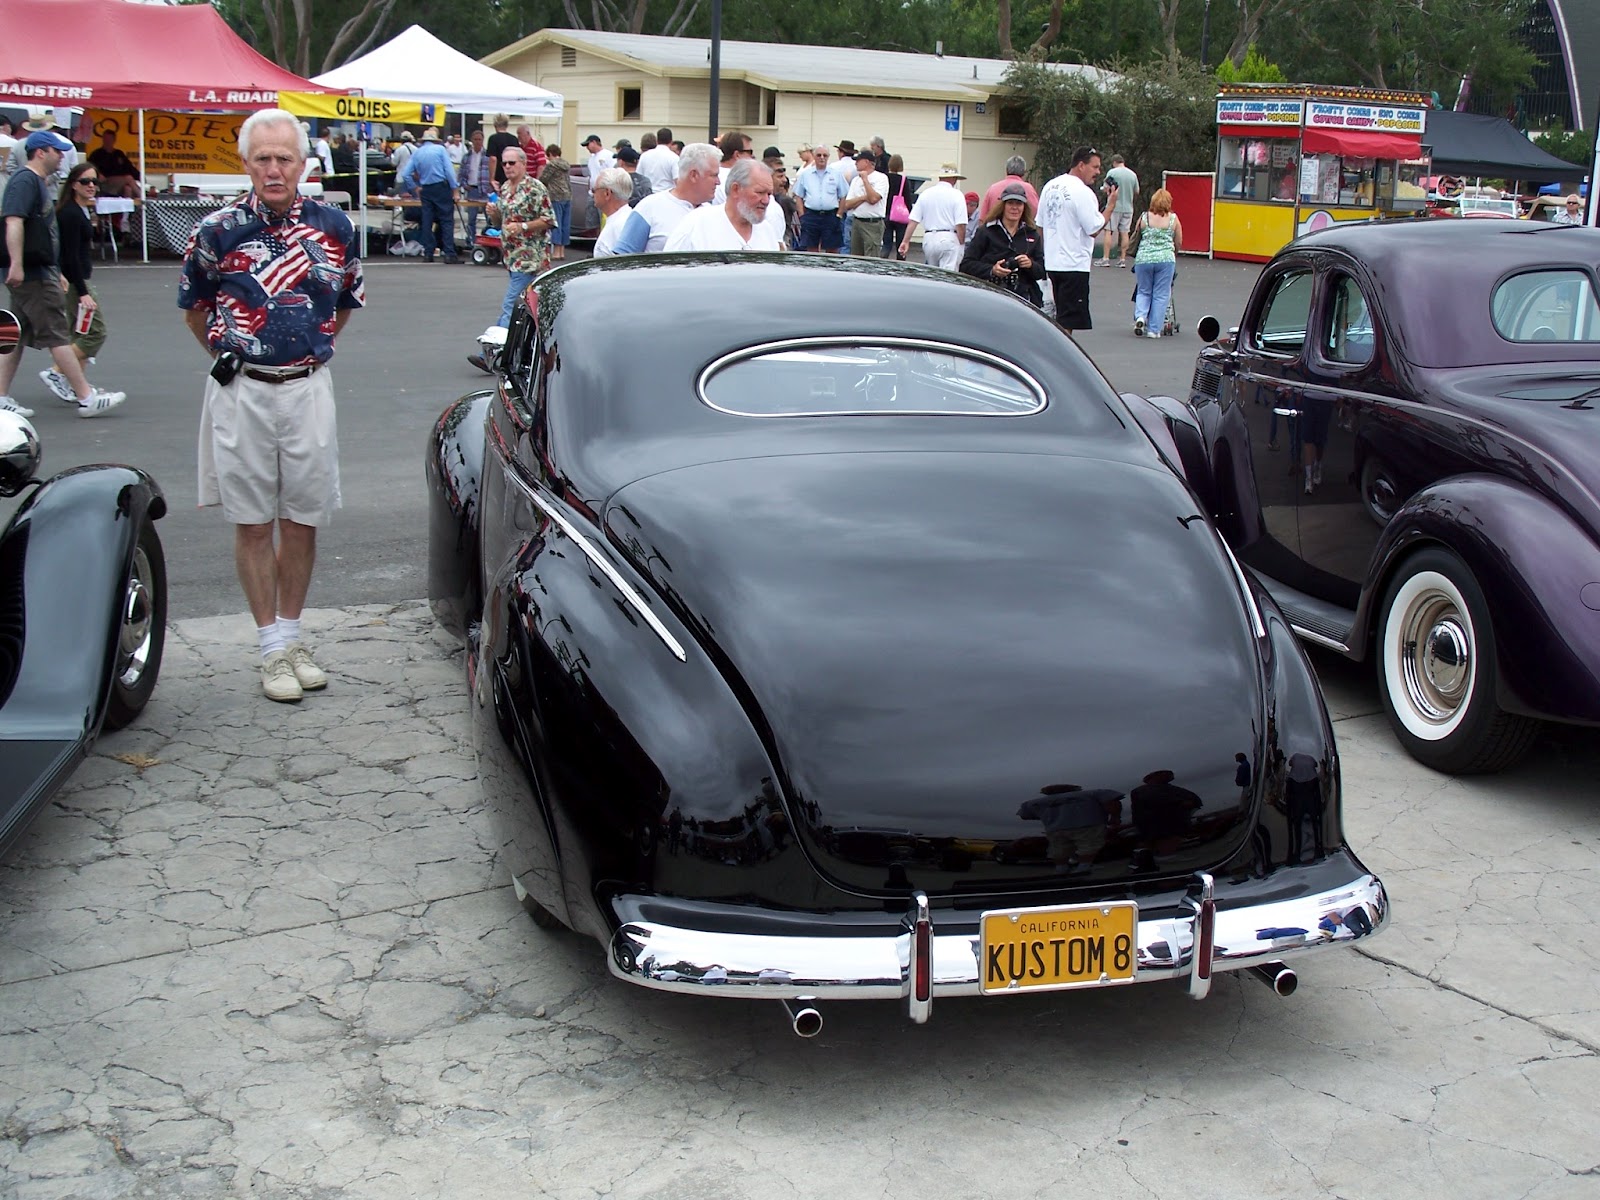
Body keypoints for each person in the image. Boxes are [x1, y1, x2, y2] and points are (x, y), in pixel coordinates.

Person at [177, 108, 364, 702]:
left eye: (285, 158)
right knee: (254, 521)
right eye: (263, 158)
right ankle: (269, 649)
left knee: (303, 518)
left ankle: (292, 635)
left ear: (304, 163)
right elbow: (195, 310)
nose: (274, 169)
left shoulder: (335, 226)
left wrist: (306, 349)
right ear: (245, 163)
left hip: (307, 387)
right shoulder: (217, 231)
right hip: (242, 390)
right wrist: (236, 353)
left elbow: (343, 304)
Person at [0, 130, 125, 419]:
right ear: (40, 152)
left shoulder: (34, 182)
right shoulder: (26, 181)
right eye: (57, 152)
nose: (61, 158)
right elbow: (14, 221)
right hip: (33, 272)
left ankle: (2, 396)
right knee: (57, 333)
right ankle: (86, 396)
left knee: (14, 334)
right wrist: (17, 263)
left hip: (36, 269)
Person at [34, 161, 113, 405]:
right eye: (85, 181)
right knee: (95, 333)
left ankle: (77, 385)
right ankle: (57, 372)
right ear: (73, 185)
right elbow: (69, 257)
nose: (91, 186)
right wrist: (82, 291)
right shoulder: (69, 214)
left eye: (94, 182)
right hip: (74, 281)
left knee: (79, 332)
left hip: (75, 279)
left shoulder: (79, 210)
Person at [1038, 145, 1117, 335]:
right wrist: (1110, 206)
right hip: (1073, 265)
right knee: (1068, 321)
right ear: (1081, 165)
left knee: (1055, 316)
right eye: (1095, 167)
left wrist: (1045, 251)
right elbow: (1094, 229)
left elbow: (1040, 225)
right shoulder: (1083, 192)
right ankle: (1061, 352)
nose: (1098, 172)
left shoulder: (1050, 186)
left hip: (1052, 263)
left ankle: (1054, 348)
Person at [486, 145, 553, 327]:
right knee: (526, 305)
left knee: (510, 306)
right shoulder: (506, 188)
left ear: (523, 163)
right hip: (511, 257)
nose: (507, 167)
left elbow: (549, 220)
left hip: (529, 259)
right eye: (504, 163)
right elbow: (500, 222)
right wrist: (494, 213)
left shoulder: (535, 188)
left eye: (512, 163)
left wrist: (523, 226)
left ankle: (498, 341)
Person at [610, 142, 719, 254]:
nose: (718, 182)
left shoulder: (712, 213)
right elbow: (623, 257)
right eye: (714, 175)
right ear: (694, 175)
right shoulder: (649, 208)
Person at [664, 159, 782, 252]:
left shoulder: (767, 232)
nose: (766, 201)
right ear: (735, 189)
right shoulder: (697, 224)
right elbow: (669, 269)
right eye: (760, 193)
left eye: (769, 194)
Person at [958, 181, 1044, 307]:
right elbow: (966, 265)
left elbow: (1041, 271)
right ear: (1003, 205)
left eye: (1019, 203)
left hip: (1023, 298)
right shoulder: (986, 232)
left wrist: (1030, 264)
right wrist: (992, 270)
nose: (1014, 207)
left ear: (1024, 207)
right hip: (991, 295)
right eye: (1010, 203)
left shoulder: (1032, 234)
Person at [396, 127, 460, 263]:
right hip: (441, 187)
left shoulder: (417, 152)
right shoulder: (441, 150)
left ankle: (428, 252)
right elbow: (449, 171)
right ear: (436, 140)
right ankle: (449, 253)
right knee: (446, 220)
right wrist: (455, 189)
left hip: (426, 188)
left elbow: (405, 174)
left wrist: (415, 188)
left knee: (427, 221)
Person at [1131, 186, 1182, 338]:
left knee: (1143, 291)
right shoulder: (1173, 219)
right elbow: (1178, 241)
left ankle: (1140, 317)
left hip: (1144, 259)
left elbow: (1136, 234)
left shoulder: (1144, 217)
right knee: (1161, 294)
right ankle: (1153, 330)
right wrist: (1173, 253)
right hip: (1165, 259)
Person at [899, 164, 968, 270]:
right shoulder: (957, 195)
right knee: (948, 274)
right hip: (948, 237)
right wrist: (961, 243)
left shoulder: (926, 193)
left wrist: (905, 241)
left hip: (929, 238)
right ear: (954, 179)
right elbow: (960, 224)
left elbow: (913, 220)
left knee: (933, 273)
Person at [792, 143, 847, 253]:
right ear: (814, 156)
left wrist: (839, 215)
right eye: (819, 155)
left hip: (831, 216)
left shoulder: (836, 174)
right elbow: (799, 196)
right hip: (811, 216)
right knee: (811, 249)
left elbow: (843, 196)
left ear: (828, 157)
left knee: (832, 250)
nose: (822, 158)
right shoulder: (805, 175)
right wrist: (802, 215)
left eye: (825, 155)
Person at [842, 147, 887, 257]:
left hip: (873, 223)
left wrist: (865, 180)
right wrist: (863, 198)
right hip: (857, 221)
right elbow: (847, 204)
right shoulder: (855, 180)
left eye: (858, 161)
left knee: (871, 256)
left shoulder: (881, 178)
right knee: (856, 256)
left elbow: (873, 199)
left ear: (867, 162)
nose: (855, 163)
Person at [1099, 153, 1139, 267]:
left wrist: (1104, 190)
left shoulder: (1112, 173)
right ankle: (1122, 259)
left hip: (1114, 207)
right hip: (1128, 208)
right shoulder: (1132, 174)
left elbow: (1106, 188)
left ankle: (1105, 258)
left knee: (1108, 231)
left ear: (1114, 162)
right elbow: (1137, 191)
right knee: (1125, 232)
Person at [589, 166, 636, 258]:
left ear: (607, 193)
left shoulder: (617, 227)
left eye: (594, 190)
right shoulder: (630, 218)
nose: (592, 194)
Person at [460, 129, 492, 247]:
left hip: (485, 190)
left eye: (480, 139)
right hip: (472, 189)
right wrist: (465, 185)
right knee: (471, 219)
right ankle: (471, 241)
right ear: (472, 141)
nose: (478, 142)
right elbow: (461, 174)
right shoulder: (467, 156)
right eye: (475, 139)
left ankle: (488, 240)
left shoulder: (488, 155)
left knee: (490, 218)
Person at [540, 143, 572, 260]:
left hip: (556, 196)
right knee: (565, 224)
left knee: (556, 223)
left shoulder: (551, 165)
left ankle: (556, 252)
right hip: (567, 196)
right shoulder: (566, 165)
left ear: (550, 154)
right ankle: (562, 251)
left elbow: (543, 179)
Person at [87, 129, 139, 201]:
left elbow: (129, 168)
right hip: (105, 183)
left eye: (110, 139)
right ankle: (142, 197)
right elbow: (89, 167)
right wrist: (97, 174)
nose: (107, 141)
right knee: (128, 178)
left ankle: (127, 208)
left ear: (114, 140)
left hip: (119, 183)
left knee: (128, 189)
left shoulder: (119, 154)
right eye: (106, 139)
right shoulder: (96, 154)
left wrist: (141, 178)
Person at [882, 153, 910, 259]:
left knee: (886, 244)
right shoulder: (903, 180)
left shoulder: (884, 178)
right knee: (900, 245)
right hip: (900, 215)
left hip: (886, 213)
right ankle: (900, 263)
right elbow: (907, 198)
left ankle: (882, 263)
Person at [638, 127, 677, 194]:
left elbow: (639, 176)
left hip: (648, 195)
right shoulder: (674, 158)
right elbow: (677, 180)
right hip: (666, 195)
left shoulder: (644, 156)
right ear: (671, 142)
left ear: (657, 141)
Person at [485, 115, 518, 187]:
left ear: (495, 125)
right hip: (512, 174)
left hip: (499, 175)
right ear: (507, 125)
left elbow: (493, 159)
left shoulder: (493, 139)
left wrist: (491, 178)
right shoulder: (514, 139)